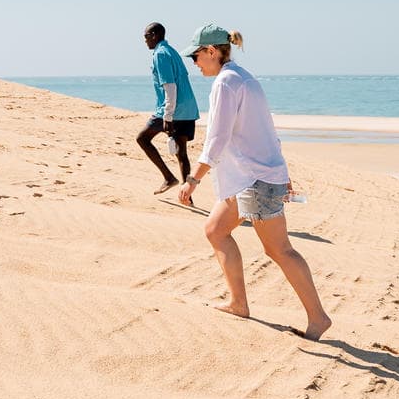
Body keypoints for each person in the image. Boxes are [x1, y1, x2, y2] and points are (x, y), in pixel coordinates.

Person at [179, 24, 332, 341]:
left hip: (255, 179)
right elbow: (266, 130)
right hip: (256, 177)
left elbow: (217, 139)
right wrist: (282, 172)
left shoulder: (226, 83)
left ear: (212, 52)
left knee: (279, 250)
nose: (194, 63)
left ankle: (318, 318)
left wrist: (193, 179)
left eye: (196, 56)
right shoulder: (244, 78)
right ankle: (238, 303)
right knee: (216, 230)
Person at [136, 22, 198, 194]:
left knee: (142, 138)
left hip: (172, 109)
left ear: (155, 35)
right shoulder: (171, 51)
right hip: (188, 108)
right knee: (181, 153)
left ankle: (169, 177)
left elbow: (170, 87)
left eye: (147, 36)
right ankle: (187, 196)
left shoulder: (161, 54)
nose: (145, 40)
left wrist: (168, 116)